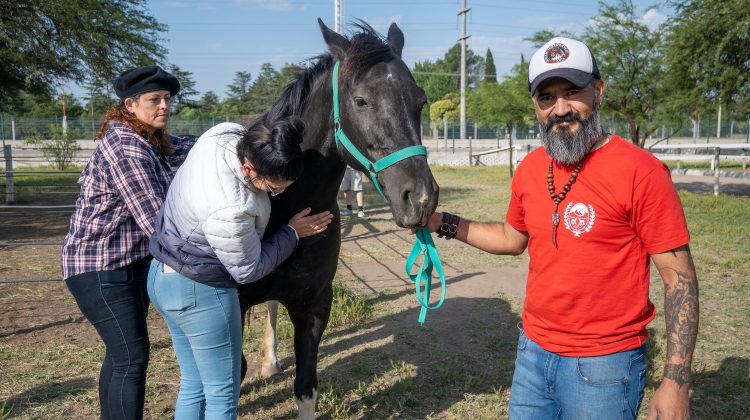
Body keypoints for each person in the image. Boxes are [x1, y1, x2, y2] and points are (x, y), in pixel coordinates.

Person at [427, 37, 698, 419]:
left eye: (573, 92)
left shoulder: (642, 172)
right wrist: (440, 222)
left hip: (606, 365)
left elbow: (680, 281)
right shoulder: (530, 169)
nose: (561, 109)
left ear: (599, 92)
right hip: (533, 355)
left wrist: (675, 382)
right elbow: (510, 238)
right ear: (536, 107)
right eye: (547, 98)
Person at [147, 114, 333, 419]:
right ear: (248, 169)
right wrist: (291, 233)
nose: (278, 194)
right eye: (273, 188)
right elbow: (247, 270)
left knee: (194, 385)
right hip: (200, 292)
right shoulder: (233, 209)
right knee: (222, 395)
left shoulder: (222, 134)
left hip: (162, 276)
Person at [61, 65, 197, 420]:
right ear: (130, 104)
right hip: (102, 268)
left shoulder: (152, 140)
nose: (164, 106)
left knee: (121, 355)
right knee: (132, 358)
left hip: (127, 265)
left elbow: (193, 147)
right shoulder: (127, 147)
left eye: (167, 99)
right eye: (155, 100)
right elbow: (159, 221)